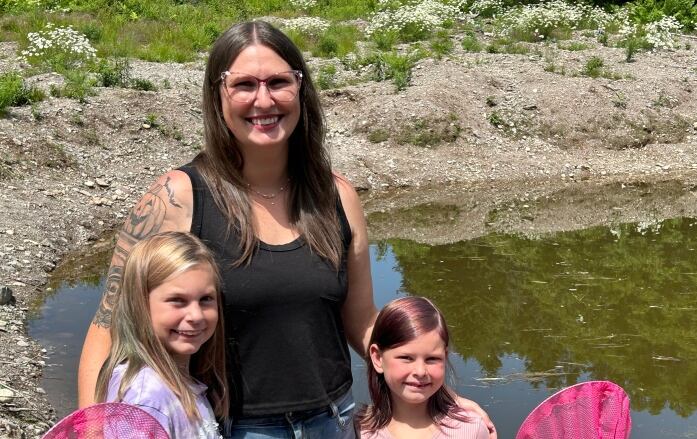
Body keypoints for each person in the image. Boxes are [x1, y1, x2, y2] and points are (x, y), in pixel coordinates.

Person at [78, 20, 494, 439]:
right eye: (243, 85)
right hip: (234, 426)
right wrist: (94, 429)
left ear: (301, 90)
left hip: (335, 420)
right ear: (217, 95)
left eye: (279, 81)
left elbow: (363, 319)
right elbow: (109, 328)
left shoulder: (337, 196)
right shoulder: (178, 196)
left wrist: (432, 386)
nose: (264, 100)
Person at [94, 231, 228, 438]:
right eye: (177, 300)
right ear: (140, 304)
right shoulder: (147, 398)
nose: (195, 315)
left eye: (205, 299)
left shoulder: (173, 381)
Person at [358, 297, 490, 439]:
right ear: (378, 358)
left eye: (432, 359)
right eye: (406, 358)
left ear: (445, 357)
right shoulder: (356, 431)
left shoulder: (471, 430)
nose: (420, 371)